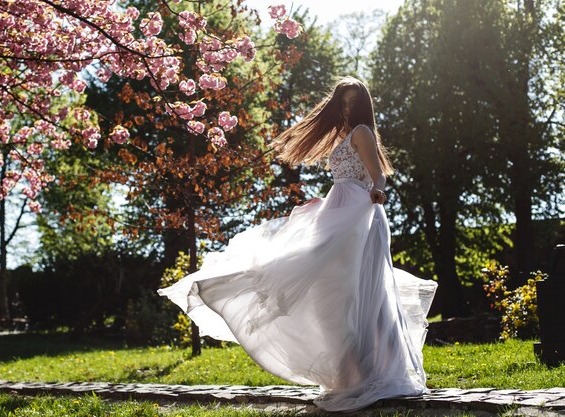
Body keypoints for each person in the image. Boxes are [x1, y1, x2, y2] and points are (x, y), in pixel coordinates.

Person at [158, 76, 438, 412]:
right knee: (334, 292)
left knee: (358, 293)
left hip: (361, 215)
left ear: (362, 105)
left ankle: (374, 373)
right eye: (343, 102)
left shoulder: (362, 132)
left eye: (353, 102)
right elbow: (346, 180)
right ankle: (356, 373)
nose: (347, 108)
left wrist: (377, 191)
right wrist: (324, 203)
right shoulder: (344, 135)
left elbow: (377, 174)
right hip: (339, 210)